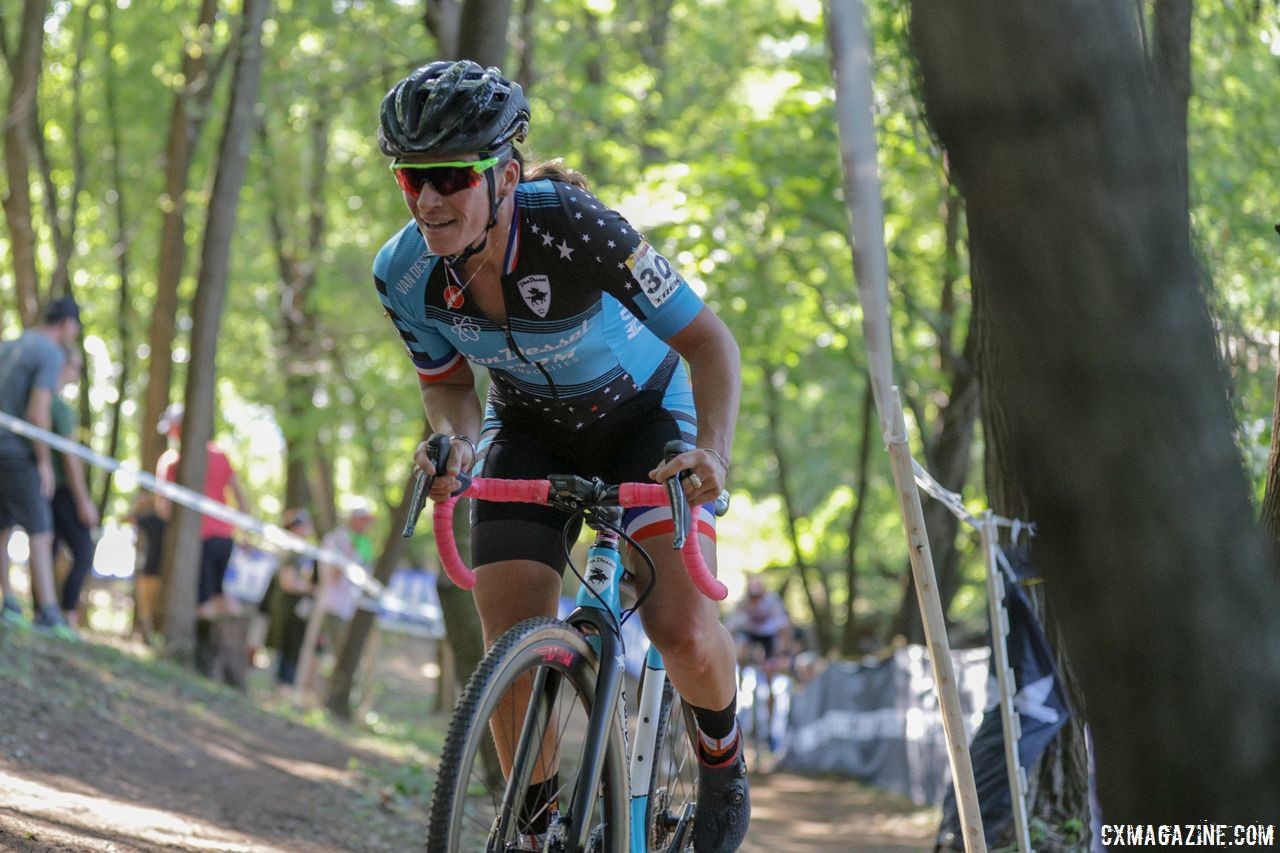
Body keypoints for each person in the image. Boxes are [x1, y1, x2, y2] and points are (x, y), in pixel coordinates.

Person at [373, 60, 747, 851]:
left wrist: (712, 452)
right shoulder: (403, 273)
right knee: (506, 633)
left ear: (504, 175)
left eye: (450, 177)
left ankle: (722, 758)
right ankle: (537, 829)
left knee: (680, 627)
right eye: (412, 181)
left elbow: (711, 344)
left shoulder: (580, 229)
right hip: (530, 426)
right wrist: (457, 443)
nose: (430, 200)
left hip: (649, 420)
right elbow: (447, 387)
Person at [0, 296, 83, 639]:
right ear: (66, 324)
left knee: (2, 528)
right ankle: (48, 611)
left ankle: (9, 604)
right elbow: (38, 411)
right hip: (17, 452)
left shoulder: (9, 345)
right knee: (41, 528)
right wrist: (45, 463)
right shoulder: (49, 353)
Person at [153, 403, 250, 620]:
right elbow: (241, 497)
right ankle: (234, 641)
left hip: (200, 538)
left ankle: (210, 646)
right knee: (219, 594)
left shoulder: (172, 459)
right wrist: (245, 533)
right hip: (226, 537)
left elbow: (162, 506)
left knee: (203, 600)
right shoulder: (219, 454)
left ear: (177, 428)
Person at [49, 349, 100, 628]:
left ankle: (51, 611)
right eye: (75, 367)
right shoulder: (59, 408)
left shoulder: (50, 405)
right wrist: (83, 501)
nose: (77, 374)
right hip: (63, 493)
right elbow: (69, 458)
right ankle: (66, 613)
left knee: (51, 547)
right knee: (83, 552)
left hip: (50, 490)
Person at [316, 501, 374, 658]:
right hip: (333, 606)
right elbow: (333, 575)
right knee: (336, 654)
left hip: (350, 608)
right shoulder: (336, 539)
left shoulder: (363, 544)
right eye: (363, 520)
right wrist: (350, 550)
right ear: (352, 520)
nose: (367, 525)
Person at [266, 507, 317, 687]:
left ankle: (286, 686)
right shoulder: (291, 551)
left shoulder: (302, 551)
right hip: (288, 607)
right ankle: (282, 687)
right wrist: (312, 589)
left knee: (293, 649)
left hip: (296, 608)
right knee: (287, 649)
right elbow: (288, 582)